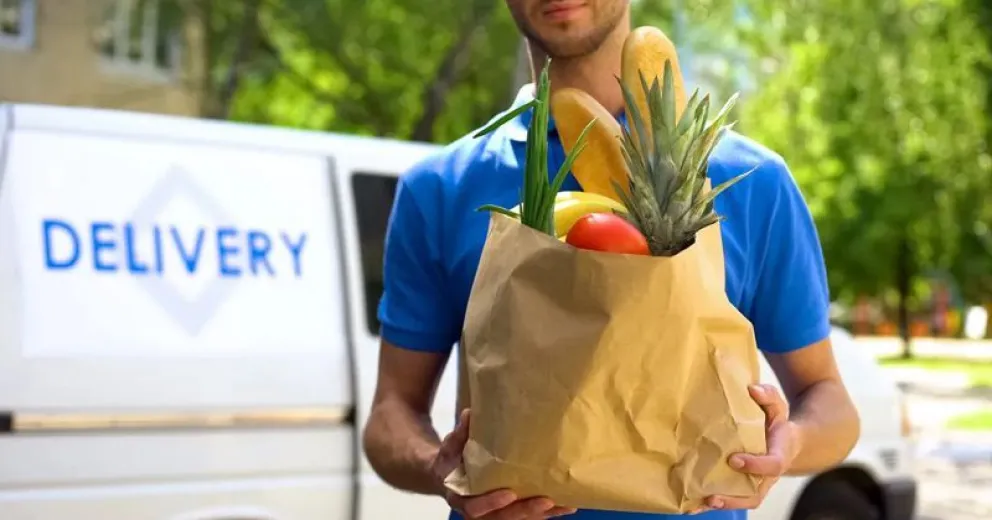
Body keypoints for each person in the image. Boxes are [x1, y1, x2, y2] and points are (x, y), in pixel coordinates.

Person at [361, 0, 861, 518]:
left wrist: (790, 445)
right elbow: (390, 414)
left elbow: (829, 400)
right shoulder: (438, 188)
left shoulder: (754, 182)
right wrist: (437, 470)